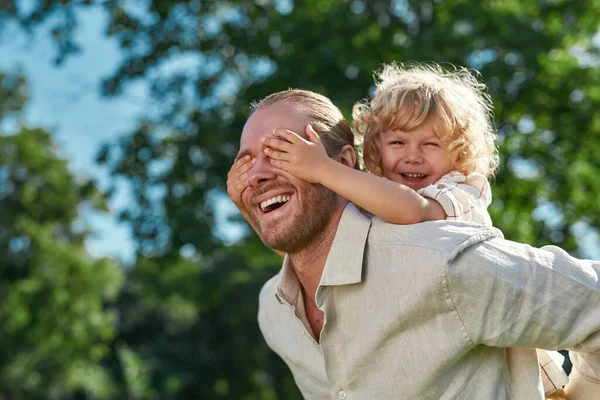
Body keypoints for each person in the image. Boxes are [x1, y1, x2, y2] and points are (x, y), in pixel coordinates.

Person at [227, 88, 600, 399]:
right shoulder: (274, 313)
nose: (258, 174)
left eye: (281, 151)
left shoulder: (443, 263)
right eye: (245, 163)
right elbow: (311, 244)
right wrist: (251, 206)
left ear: (342, 163)